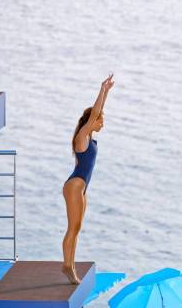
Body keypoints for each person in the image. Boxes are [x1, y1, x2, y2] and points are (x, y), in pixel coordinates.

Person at [62, 74, 114, 284]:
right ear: (93, 121)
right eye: (101, 121)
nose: (102, 124)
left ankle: (71, 265)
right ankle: (67, 266)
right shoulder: (82, 135)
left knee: (77, 228)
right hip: (74, 186)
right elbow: (94, 112)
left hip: (82, 188)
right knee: (72, 228)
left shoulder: (89, 139)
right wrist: (104, 91)